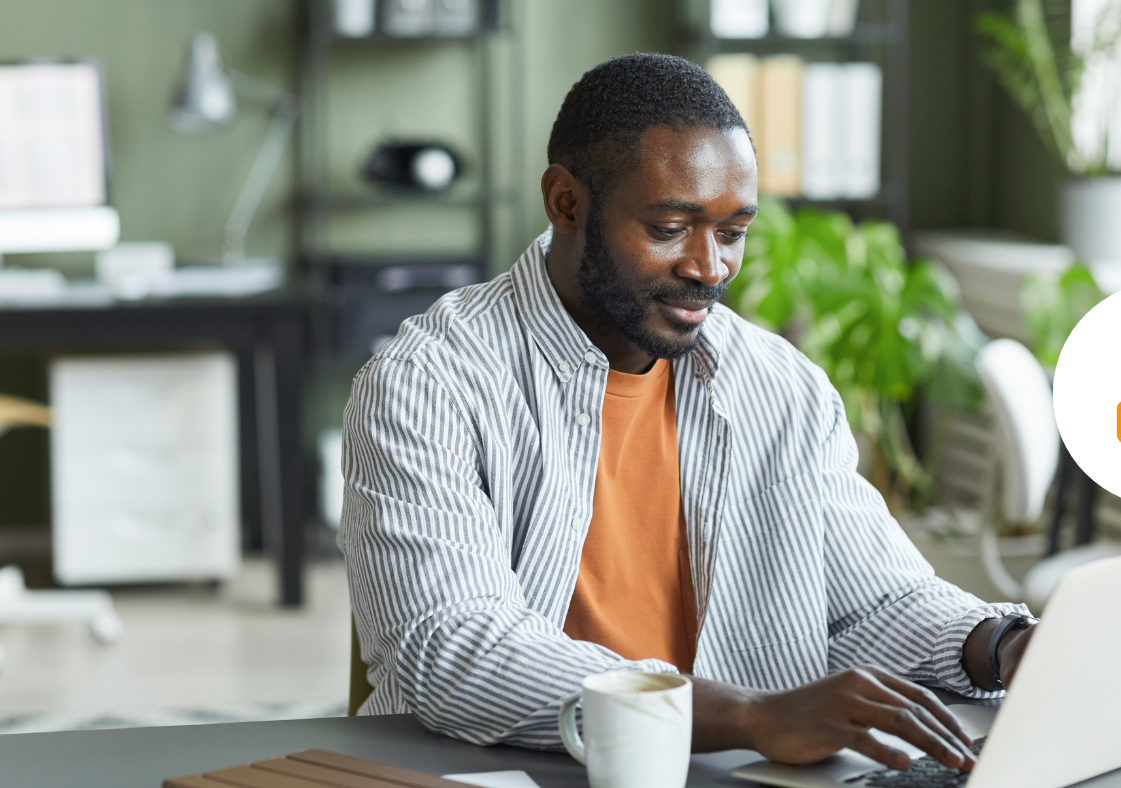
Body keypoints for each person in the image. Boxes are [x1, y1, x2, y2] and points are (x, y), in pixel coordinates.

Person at [340, 53, 1036, 774]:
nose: (710, 268)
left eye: (732, 232)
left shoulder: (783, 390)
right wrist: (753, 717)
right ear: (566, 202)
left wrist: (1003, 646)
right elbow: (454, 650)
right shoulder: (426, 385)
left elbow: (874, 603)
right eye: (671, 227)